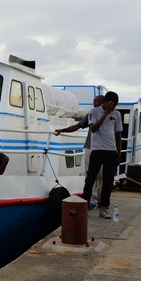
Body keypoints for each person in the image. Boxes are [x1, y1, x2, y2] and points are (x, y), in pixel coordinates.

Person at [55, 94, 105, 208]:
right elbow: (78, 126)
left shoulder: (110, 115)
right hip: (90, 147)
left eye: (96, 102)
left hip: (103, 148)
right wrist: (62, 130)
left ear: (103, 103)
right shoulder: (91, 114)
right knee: (90, 174)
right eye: (93, 102)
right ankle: (92, 199)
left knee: (102, 175)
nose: (94, 104)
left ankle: (101, 199)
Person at [82, 91, 123, 219]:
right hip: (97, 149)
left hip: (111, 150)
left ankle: (104, 207)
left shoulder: (116, 114)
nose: (113, 107)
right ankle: (84, 204)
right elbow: (93, 128)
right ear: (105, 102)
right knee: (90, 178)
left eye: (115, 105)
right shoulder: (93, 112)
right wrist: (105, 113)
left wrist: (119, 153)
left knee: (108, 180)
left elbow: (118, 135)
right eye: (111, 104)